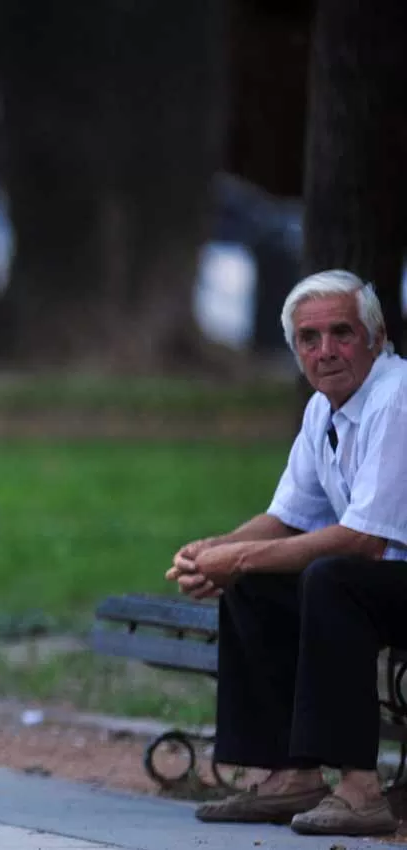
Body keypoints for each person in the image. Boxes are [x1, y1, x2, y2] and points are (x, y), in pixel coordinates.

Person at [167, 269, 407, 837]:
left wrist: (241, 557)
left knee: (331, 579)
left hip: (384, 577)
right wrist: (214, 554)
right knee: (256, 581)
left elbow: (363, 540)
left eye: (341, 333)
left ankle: (359, 791)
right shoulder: (324, 409)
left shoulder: (395, 400)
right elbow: (286, 518)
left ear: (375, 339)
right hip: (383, 583)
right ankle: (287, 776)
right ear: (295, 348)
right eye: (309, 338)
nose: (326, 351)